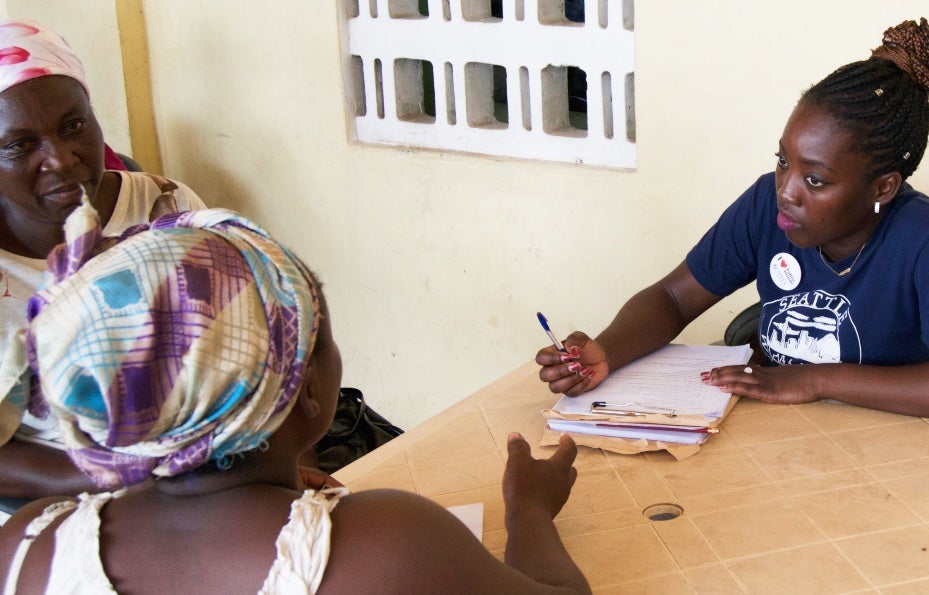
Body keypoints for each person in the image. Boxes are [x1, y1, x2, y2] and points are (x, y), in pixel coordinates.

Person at [0, 204, 590, 593]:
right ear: (306, 391)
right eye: (323, 338)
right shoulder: (387, 544)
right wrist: (528, 509)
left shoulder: (27, 546)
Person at [537, 18, 929, 422]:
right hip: (777, 433)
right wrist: (606, 352)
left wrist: (815, 379)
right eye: (783, 161)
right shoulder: (769, 203)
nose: (787, 191)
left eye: (817, 180)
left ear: (882, 187)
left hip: (885, 446)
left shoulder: (928, 240)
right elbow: (672, 298)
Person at [0, 18, 209, 500]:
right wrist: (123, 477)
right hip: (56, 505)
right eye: (20, 145)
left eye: (73, 125)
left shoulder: (165, 207)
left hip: (201, 472)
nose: (61, 158)